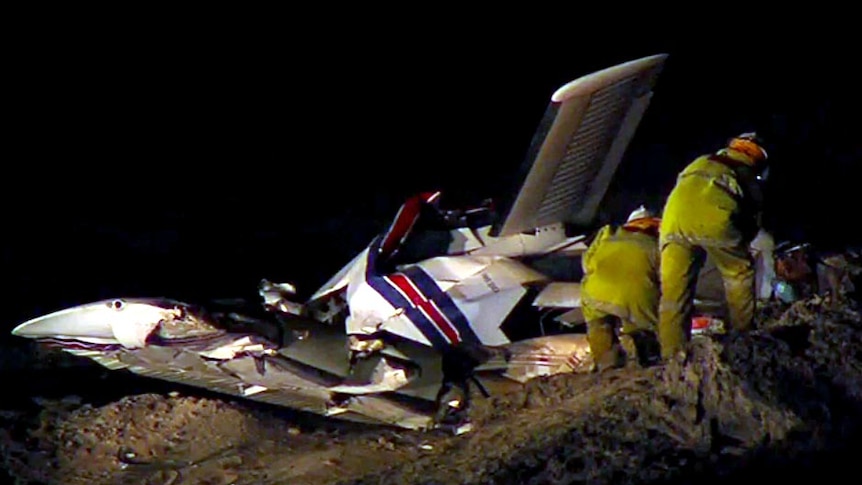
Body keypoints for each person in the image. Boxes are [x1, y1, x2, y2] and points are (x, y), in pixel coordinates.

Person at [658, 132, 769, 361]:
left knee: (673, 294)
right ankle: (741, 339)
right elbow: (752, 221)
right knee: (739, 272)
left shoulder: (701, 161)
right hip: (714, 221)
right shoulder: (745, 172)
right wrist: (740, 244)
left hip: (672, 223)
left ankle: (671, 356)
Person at [581, 205, 662, 371]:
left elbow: (586, 265)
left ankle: (606, 365)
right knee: (645, 328)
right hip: (636, 298)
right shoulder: (656, 246)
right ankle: (647, 362)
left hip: (595, 294)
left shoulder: (607, 239)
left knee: (598, 325)